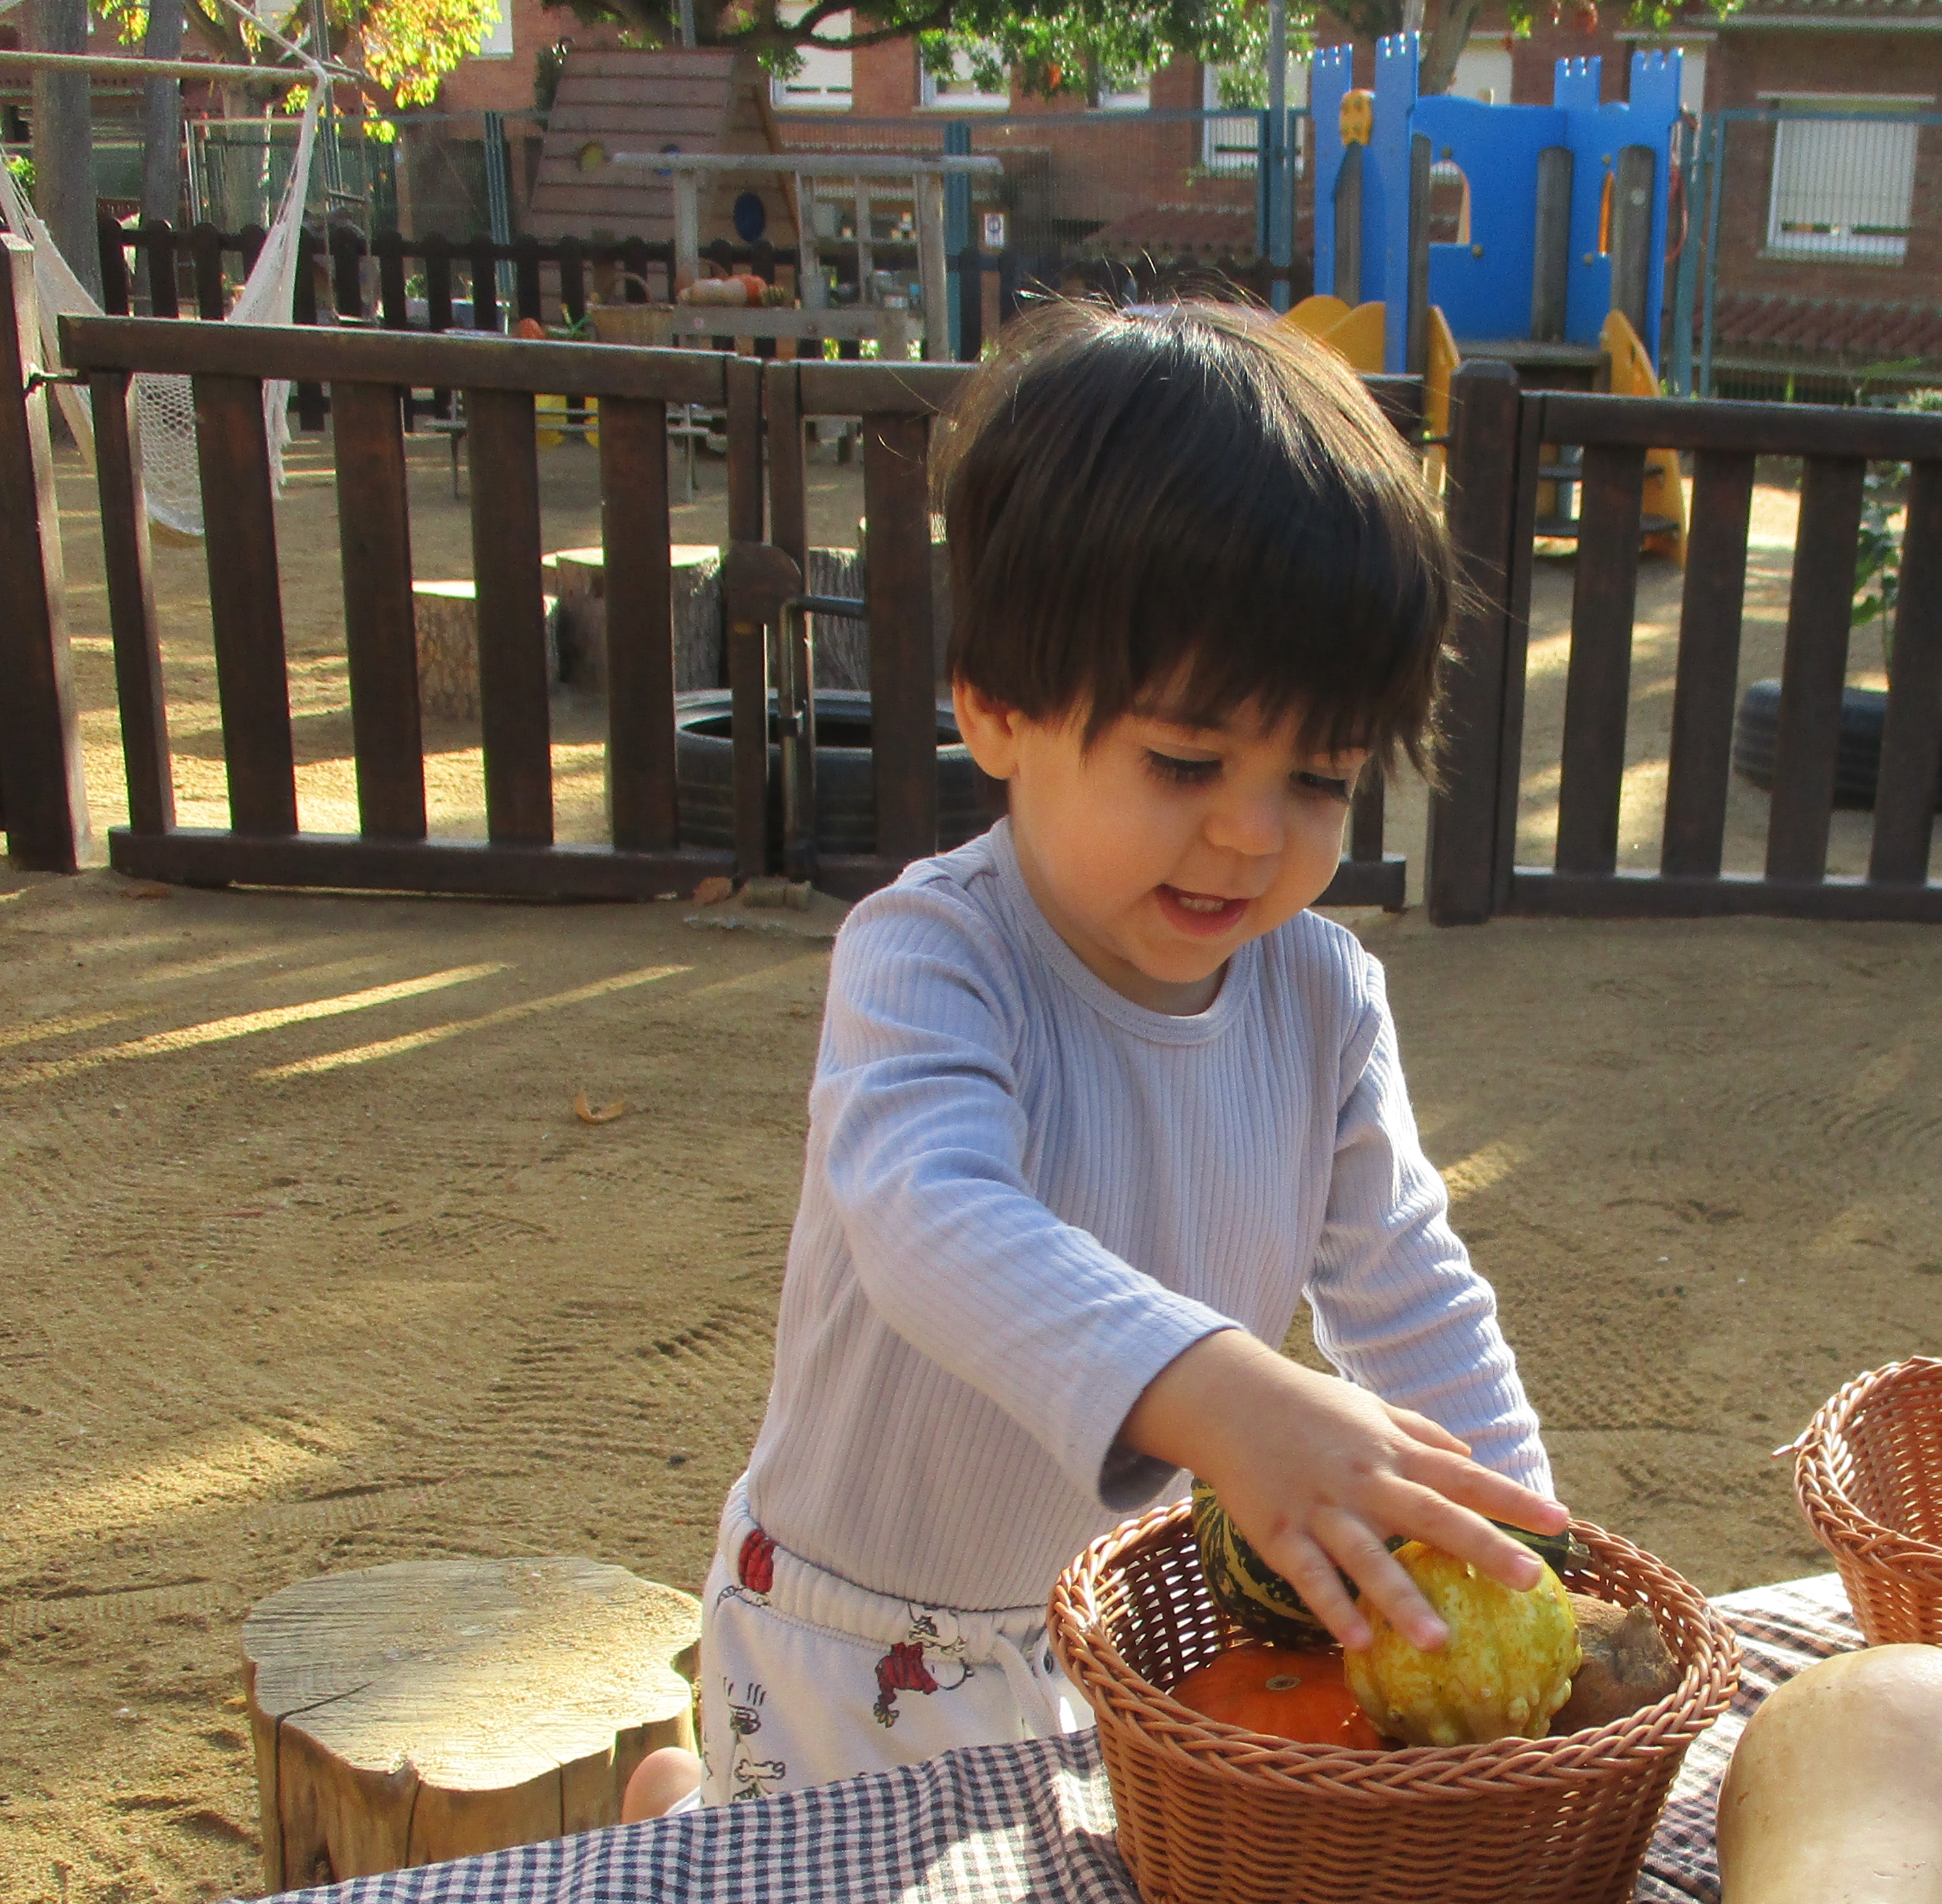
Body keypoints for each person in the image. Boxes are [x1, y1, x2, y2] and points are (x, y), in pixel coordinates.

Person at [625, 299, 1560, 1821]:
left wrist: (1525, 1541)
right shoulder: (931, 957)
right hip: (853, 1637)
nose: (1252, 834)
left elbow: (1410, 1290)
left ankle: (686, 1789)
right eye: (1185, 763)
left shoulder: (1319, 995)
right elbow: (938, 1226)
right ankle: (679, 1796)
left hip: (1113, 1626)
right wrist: (1217, 1391)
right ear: (997, 712)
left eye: (1316, 779)